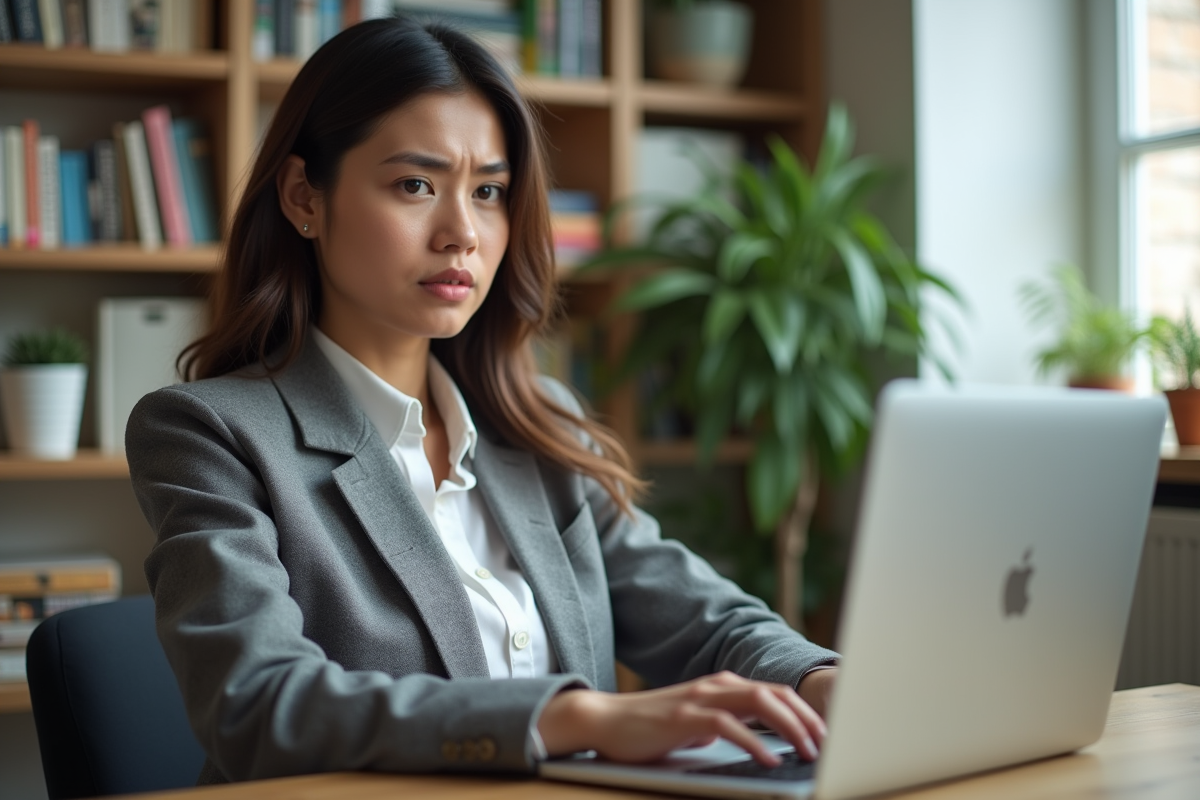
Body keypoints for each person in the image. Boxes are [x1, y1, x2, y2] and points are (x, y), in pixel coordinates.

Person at [126, 16, 839, 786]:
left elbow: (703, 618)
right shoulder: (212, 434)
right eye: (415, 185)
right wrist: (573, 718)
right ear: (305, 196)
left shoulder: (539, 426)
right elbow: (259, 707)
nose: (461, 233)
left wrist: (818, 682)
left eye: (490, 191)